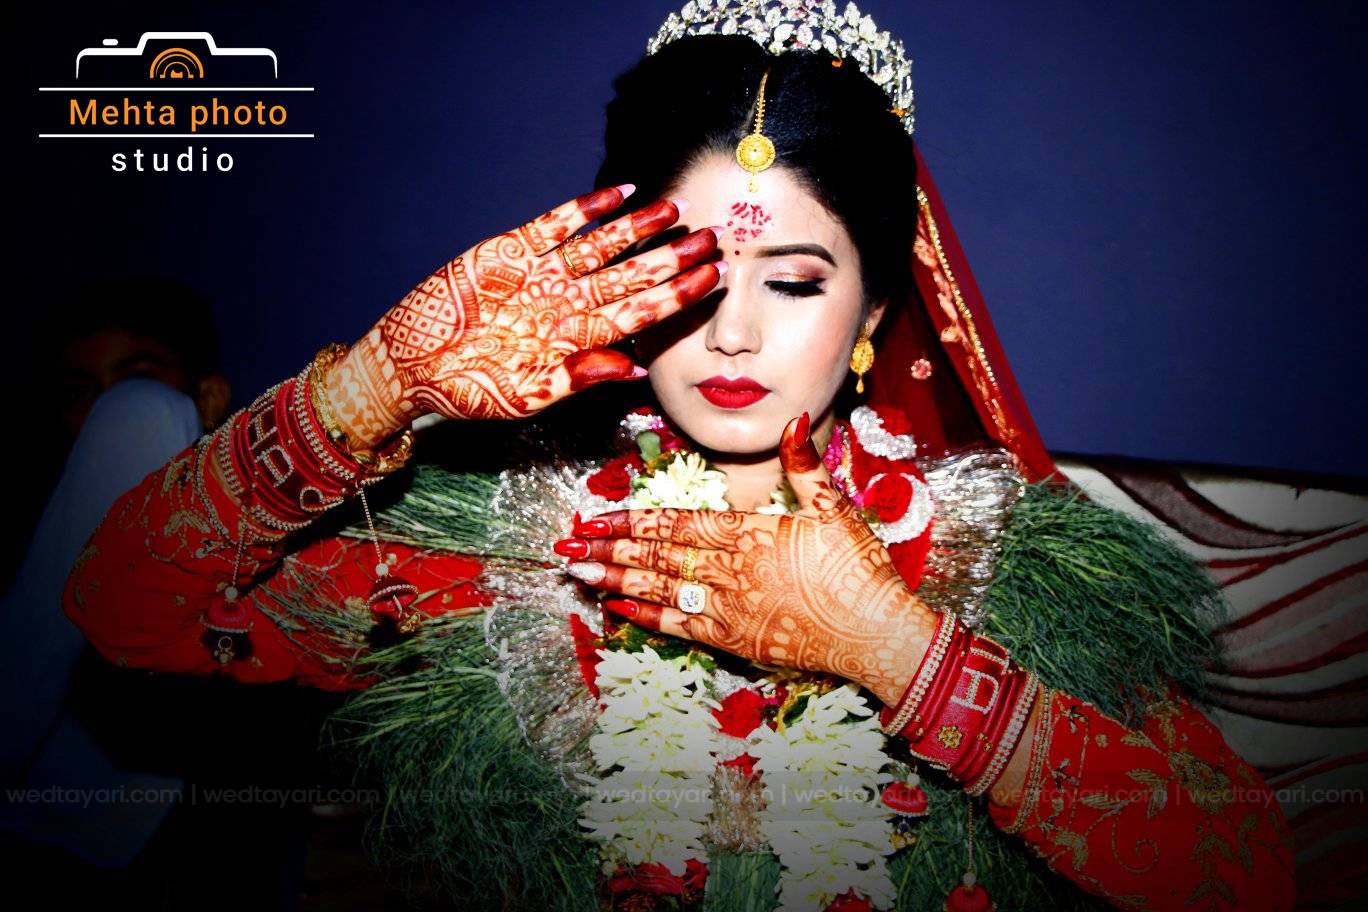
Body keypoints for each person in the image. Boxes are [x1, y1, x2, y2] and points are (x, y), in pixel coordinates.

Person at [60, 3, 1298, 910]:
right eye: (692, 275)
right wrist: (372, 385)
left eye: (795, 282)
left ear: (874, 315)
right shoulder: (507, 553)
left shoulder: (996, 566)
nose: (733, 333)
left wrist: (897, 651)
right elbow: (119, 610)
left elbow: (1244, 878)